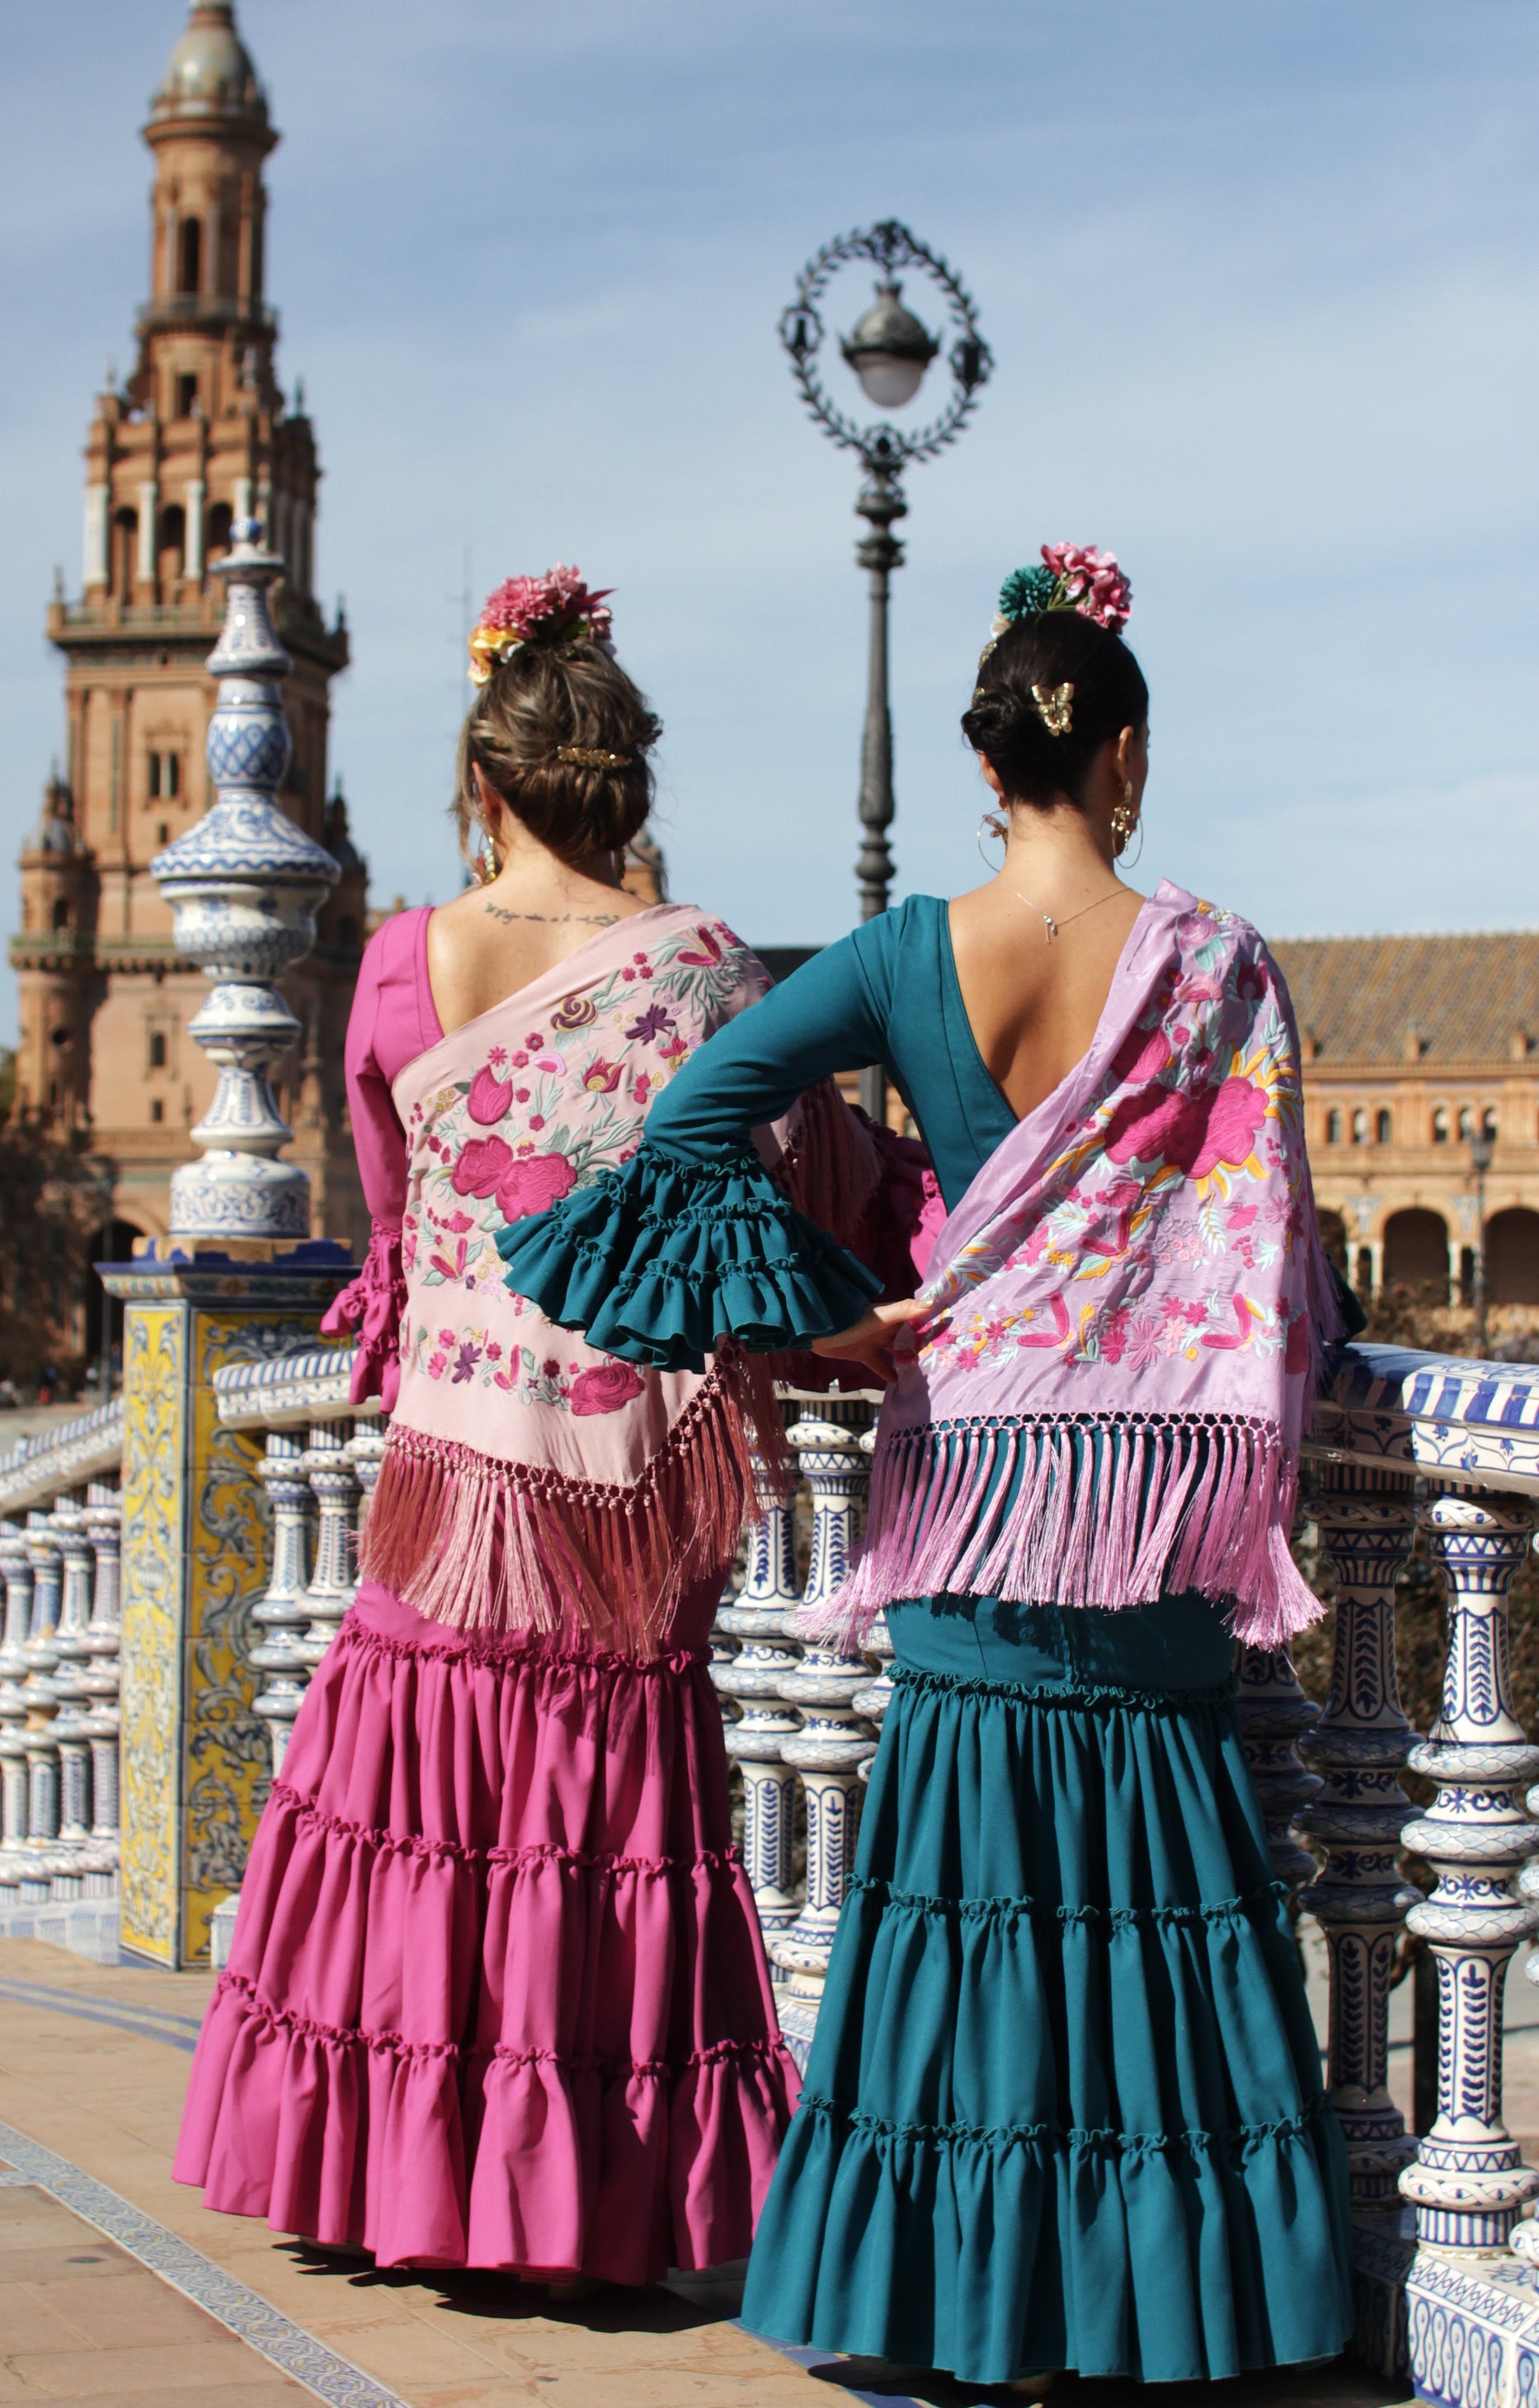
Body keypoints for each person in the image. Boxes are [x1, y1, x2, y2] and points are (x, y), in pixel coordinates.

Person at [500, 546, 1355, 2388]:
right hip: (1142, 1502)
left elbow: (689, 1121)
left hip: (970, 1473)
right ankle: (1166, 2304)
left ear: (985, 769)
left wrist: (827, 1316)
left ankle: (958, 2308)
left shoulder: (903, 955)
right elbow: (1274, 1241)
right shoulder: (1213, 961)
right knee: (1148, 1890)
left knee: (967, 1899)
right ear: (1123, 755)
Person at [174, 566, 927, 2288]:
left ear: (481, 783)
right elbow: (819, 1188)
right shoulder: (708, 973)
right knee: (602, 1814)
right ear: (625, 789)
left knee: (417, 1795)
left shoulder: (396, 963)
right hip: (631, 1481)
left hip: (451, 1468)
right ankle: (584, 2190)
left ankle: (397, 2179)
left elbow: (389, 1213)